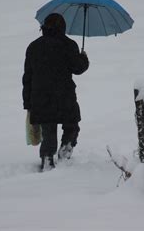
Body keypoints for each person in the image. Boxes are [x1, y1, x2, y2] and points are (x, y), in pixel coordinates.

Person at [22, 13, 89, 171]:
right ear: (63, 27)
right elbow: (78, 68)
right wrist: (83, 58)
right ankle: (66, 149)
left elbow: (27, 77)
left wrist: (28, 103)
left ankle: (47, 157)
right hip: (64, 97)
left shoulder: (33, 47)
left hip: (40, 98)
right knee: (72, 125)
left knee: (48, 131)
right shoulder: (68, 45)